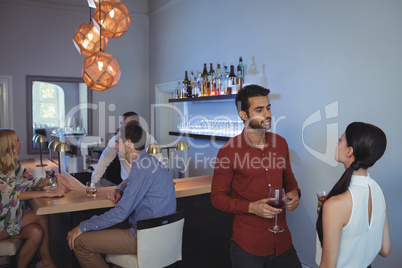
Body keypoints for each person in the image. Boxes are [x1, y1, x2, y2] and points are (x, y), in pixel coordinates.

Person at [211, 85, 302, 268]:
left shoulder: (281, 144)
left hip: (283, 242)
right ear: (244, 115)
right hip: (248, 247)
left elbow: (289, 179)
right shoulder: (228, 152)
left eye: (268, 108)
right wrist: (252, 207)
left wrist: (295, 192)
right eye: (259, 110)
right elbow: (217, 198)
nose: (267, 114)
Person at [66, 122, 176, 268]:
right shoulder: (148, 161)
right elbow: (129, 181)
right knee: (100, 230)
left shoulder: (142, 167)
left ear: (129, 143)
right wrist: (119, 188)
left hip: (146, 237)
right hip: (162, 235)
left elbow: (121, 213)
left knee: (80, 243)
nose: (116, 147)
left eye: (118, 142)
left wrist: (83, 226)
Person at [316, 122, 391, 268]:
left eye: (340, 139)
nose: (337, 143)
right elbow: (385, 249)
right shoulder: (378, 191)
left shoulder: (335, 205)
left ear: (349, 151)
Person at [0, 128, 71, 268]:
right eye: (17, 140)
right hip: (2, 223)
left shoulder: (14, 166)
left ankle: (40, 263)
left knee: (36, 232)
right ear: (9, 146)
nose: (20, 142)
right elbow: (10, 196)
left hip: (7, 221)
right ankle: (47, 262)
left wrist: (56, 177)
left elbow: (33, 182)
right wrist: (46, 193)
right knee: (41, 217)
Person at [91, 111, 161, 185]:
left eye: (125, 124)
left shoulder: (150, 142)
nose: (122, 127)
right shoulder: (116, 140)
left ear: (136, 126)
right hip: (126, 183)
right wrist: (92, 183)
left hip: (146, 183)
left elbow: (159, 167)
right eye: (121, 124)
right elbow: (104, 161)